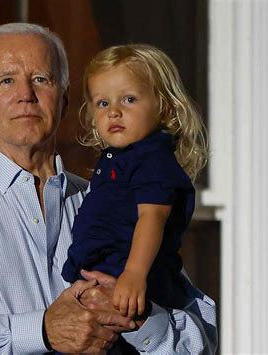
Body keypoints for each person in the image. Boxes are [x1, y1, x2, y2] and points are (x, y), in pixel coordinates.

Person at [0, 23, 217, 354]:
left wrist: (141, 320)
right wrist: (42, 329)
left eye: (40, 80)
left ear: (63, 100)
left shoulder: (118, 201)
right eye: (7, 80)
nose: (25, 95)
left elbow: (203, 342)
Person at [62, 44, 208, 322]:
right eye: (103, 103)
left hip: (131, 283)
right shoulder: (120, 159)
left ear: (163, 106)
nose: (113, 112)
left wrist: (134, 274)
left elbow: (151, 217)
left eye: (128, 99)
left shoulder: (152, 160)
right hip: (107, 277)